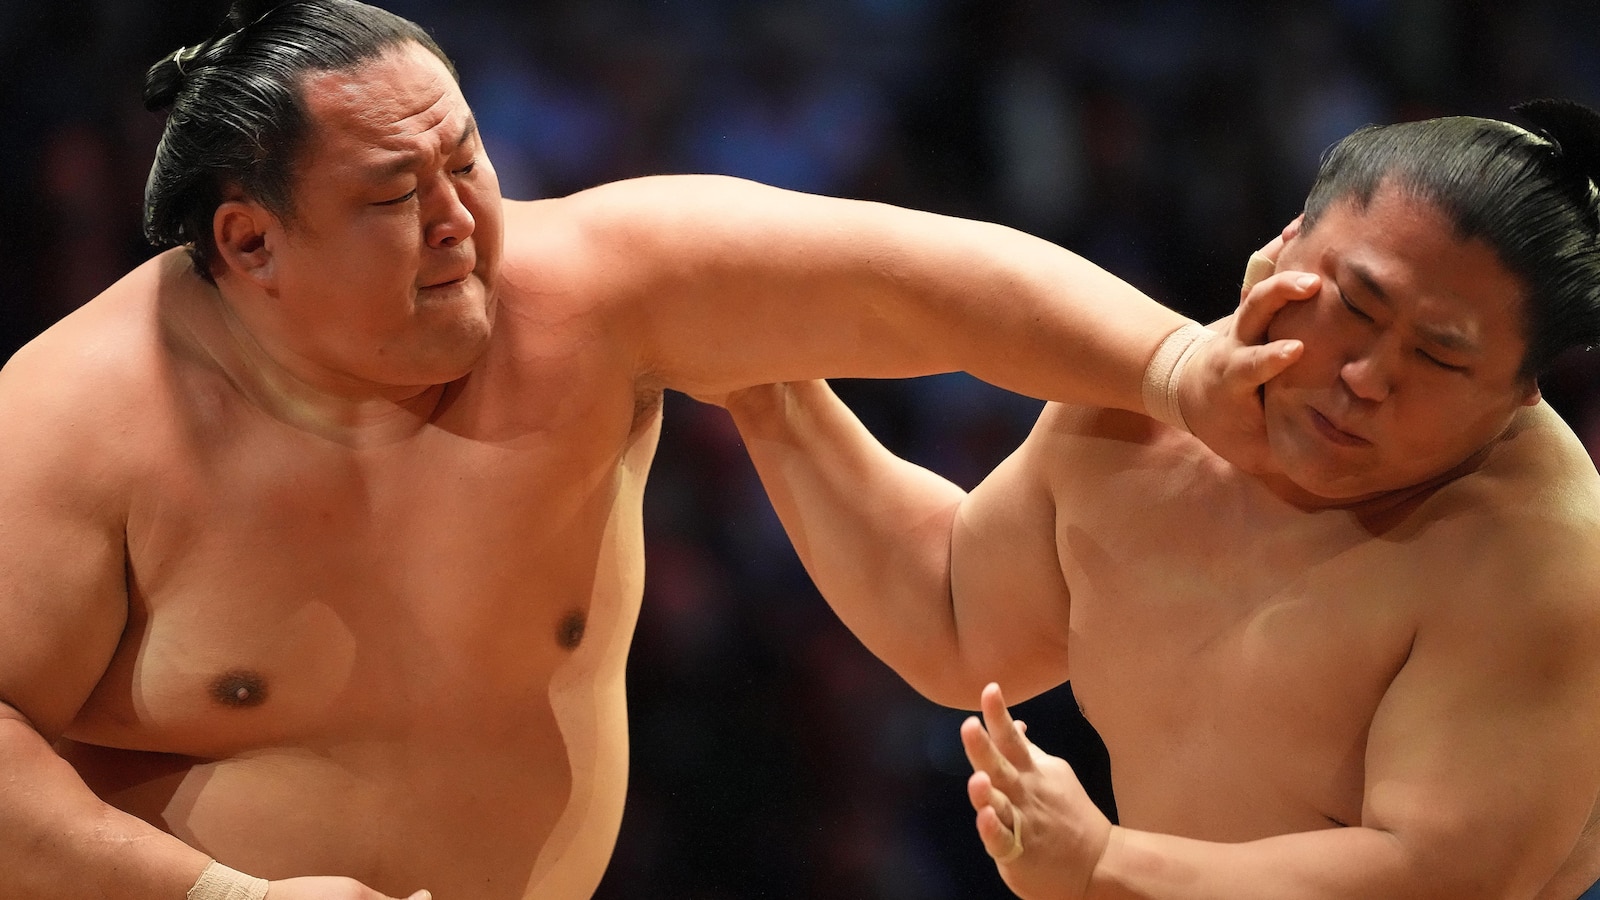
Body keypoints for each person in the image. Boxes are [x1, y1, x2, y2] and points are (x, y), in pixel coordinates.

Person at [0, 1, 1309, 898]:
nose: (464, 223)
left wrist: (1169, 367)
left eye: (468, 162)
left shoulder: (596, 291)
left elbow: (919, 284)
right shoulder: (78, 424)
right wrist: (216, 895)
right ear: (250, 245)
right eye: (399, 197)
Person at [720, 101, 1600, 899]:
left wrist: (1104, 866)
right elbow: (956, 608)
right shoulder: (1139, 412)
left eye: (1441, 358)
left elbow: (1439, 877)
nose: (1367, 378)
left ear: (1524, 391)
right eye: (1356, 306)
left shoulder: (1543, 561)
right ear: (1285, 245)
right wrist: (768, 390)